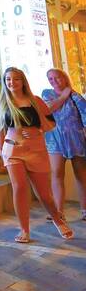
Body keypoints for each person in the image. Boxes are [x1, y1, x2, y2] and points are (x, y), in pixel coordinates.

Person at [0, 66, 73, 242]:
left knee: (43, 194)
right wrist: (1, 150)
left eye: (16, 79)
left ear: (23, 81)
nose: (12, 82)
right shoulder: (3, 101)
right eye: (8, 79)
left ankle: (58, 220)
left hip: (35, 149)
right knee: (19, 187)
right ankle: (24, 230)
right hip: (12, 149)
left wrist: (37, 131)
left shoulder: (35, 100)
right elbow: (0, 127)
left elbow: (51, 123)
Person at [41, 68, 86, 221]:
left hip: (76, 139)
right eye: (50, 79)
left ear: (64, 78)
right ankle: (58, 212)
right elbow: (48, 109)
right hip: (54, 139)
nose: (54, 81)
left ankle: (85, 210)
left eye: (57, 77)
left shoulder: (76, 96)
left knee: (81, 174)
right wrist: (64, 96)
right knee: (57, 173)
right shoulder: (47, 94)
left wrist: (69, 94)